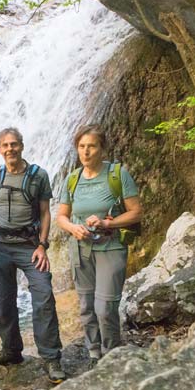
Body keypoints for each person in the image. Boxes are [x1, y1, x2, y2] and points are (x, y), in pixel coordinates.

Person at [57, 124, 142, 369]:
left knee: (105, 306)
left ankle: (111, 352)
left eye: (92, 146)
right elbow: (62, 215)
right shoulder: (72, 179)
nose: (86, 151)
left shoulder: (117, 175)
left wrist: (107, 222)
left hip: (111, 247)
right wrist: (73, 228)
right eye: (82, 146)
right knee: (86, 306)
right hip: (81, 249)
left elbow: (136, 213)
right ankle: (94, 353)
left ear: (102, 148)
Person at [0, 127, 65, 380]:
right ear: (0, 149)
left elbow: (45, 212)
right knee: (5, 301)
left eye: (14, 144)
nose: (10, 149)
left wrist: (43, 245)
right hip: (0, 247)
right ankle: (11, 349)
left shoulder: (38, 175)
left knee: (43, 298)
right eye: (5, 145)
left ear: (21, 146)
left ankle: (51, 357)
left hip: (30, 248)